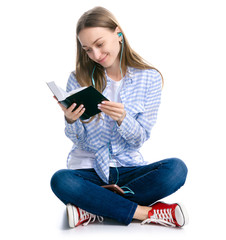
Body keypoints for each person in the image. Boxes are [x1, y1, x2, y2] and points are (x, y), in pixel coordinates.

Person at [50, 6, 188, 228]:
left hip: (128, 170)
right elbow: (79, 141)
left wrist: (124, 119)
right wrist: (71, 121)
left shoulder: (149, 78)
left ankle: (91, 207)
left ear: (119, 34)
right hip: (88, 171)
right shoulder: (78, 78)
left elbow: (139, 139)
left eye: (100, 44)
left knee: (176, 169)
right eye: (87, 49)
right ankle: (145, 212)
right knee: (61, 180)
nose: (95, 55)